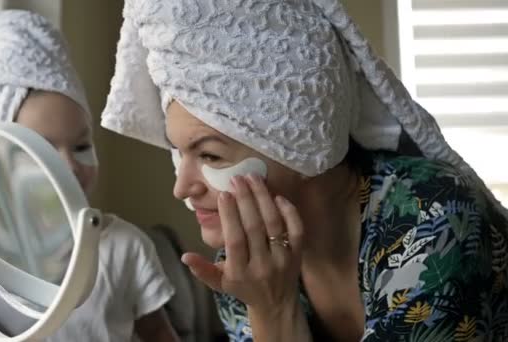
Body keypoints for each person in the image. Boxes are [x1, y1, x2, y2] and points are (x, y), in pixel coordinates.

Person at [100, 0, 508, 341]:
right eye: (178, 152)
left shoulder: (431, 215)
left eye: (209, 156)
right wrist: (266, 304)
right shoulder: (247, 264)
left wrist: (275, 310)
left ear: (300, 144)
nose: (182, 188)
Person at [0, 10, 179, 342]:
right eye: (42, 150)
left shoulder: (127, 247)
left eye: (80, 146)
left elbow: (159, 334)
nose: (70, 166)